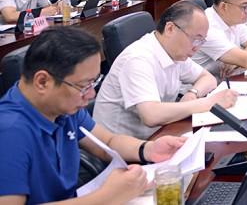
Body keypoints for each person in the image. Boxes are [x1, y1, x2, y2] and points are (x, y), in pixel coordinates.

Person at [0, 27, 186, 204]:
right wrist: (107, 197)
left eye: (93, 83)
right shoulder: (10, 132)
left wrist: (149, 149)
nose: (91, 95)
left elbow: (108, 142)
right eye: (84, 86)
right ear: (42, 82)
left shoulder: (61, 107)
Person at [93, 1, 238, 140]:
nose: (197, 47)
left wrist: (193, 93)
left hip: (158, 135)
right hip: (124, 148)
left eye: (201, 41)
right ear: (170, 29)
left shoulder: (175, 51)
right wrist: (208, 103)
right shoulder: (138, 59)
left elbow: (208, 79)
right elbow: (151, 115)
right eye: (195, 39)